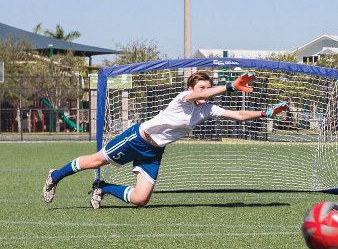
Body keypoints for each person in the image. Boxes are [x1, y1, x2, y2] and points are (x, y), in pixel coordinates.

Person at [43, 71, 288, 209]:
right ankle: (55, 176)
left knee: (140, 199)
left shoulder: (207, 109)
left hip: (154, 152)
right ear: (191, 89)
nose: (205, 91)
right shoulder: (183, 98)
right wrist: (231, 86)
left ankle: (102, 188)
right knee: (95, 161)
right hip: (137, 139)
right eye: (201, 88)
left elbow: (238, 115)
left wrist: (265, 113)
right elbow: (199, 94)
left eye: (208, 88)